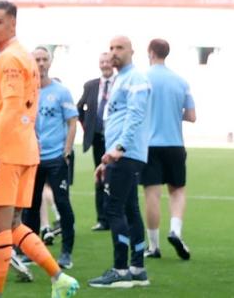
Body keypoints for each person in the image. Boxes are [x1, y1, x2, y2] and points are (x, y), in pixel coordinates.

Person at [0, 1, 79, 298]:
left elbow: (10, 107)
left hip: (6, 153)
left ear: (13, 24)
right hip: (25, 152)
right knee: (13, 224)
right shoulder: (23, 58)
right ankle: (59, 278)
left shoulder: (9, 59)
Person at [88, 36, 152, 289]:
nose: (114, 52)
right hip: (120, 155)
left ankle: (121, 269)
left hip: (125, 154)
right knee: (130, 209)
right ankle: (137, 269)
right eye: (111, 48)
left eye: (119, 48)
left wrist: (119, 149)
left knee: (113, 209)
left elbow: (136, 115)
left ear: (131, 51)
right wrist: (106, 159)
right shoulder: (121, 79)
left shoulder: (135, 78)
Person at [142, 38, 196, 261]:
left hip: (149, 144)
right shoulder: (181, 81)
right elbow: (191, 116)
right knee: (177, 190)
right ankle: (175, 230)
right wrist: (175, 114)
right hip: (174, 143)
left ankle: (153, 246)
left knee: (152, 194)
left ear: (150, 52)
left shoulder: (142, 78)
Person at [24, 46, 77, 270]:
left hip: (56, 157)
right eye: (38, 59)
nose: (42, 63)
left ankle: (66, 253)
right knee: (31, 206)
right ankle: (33, 251)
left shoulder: (61, 92)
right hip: (34, 159)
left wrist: (67, 150)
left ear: (50, 62)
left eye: (45, 59)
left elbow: (72, 121)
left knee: (63, 204)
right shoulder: (27, 91)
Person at [77, 52, 115, 232]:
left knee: (115, 177)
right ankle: (102, 218)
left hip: (115, 140)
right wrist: (87, 127)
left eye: (108, 61)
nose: (105, 65)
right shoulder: (91, 85)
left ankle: (115, 215)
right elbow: (80, 107)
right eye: (102, 62)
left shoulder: (120, 83)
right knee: (99, 177)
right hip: (98, 138)